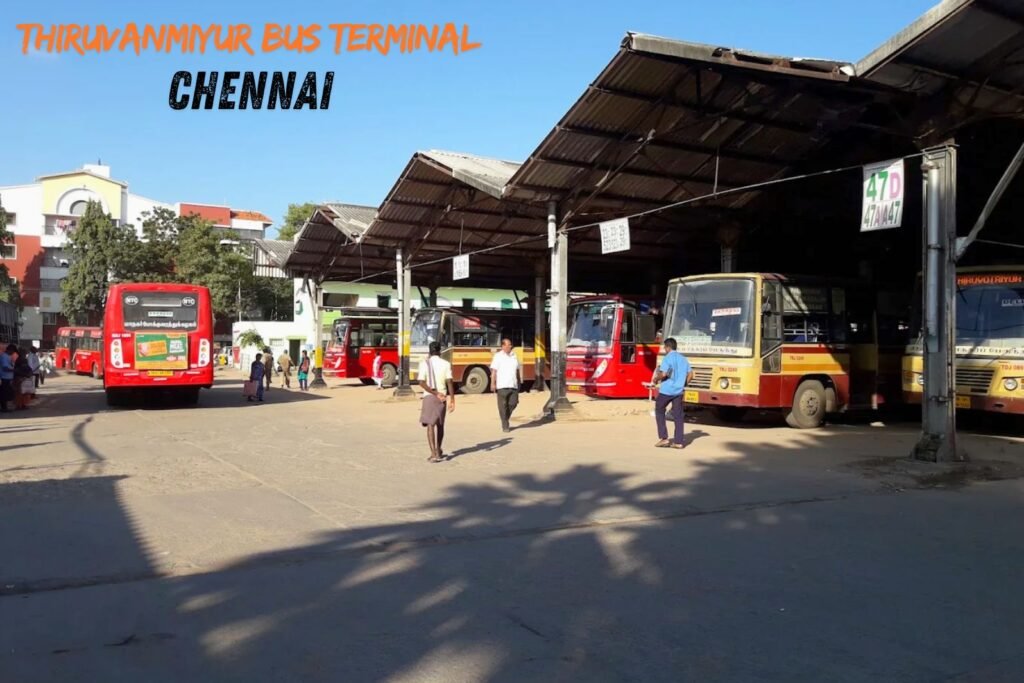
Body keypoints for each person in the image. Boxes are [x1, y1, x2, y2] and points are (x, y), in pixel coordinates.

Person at [652, 337, 694, 449]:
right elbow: (691, 374)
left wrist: (656, 379)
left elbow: (664, 373)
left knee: (659, 410)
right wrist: (684, 384)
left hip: (667, 390)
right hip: (678, 391)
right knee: (678, 415)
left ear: (668, 347)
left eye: (665, 347)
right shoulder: (683, 359)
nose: (665, 349)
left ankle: (664, 438)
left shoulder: (667, 358)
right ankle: (678, 442)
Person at [417, 341, 454, 463]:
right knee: (440, 425)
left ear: (430, 351)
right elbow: (449, 382)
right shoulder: (446, 364)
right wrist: (452, 399)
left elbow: (421, 382)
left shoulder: (424, 364)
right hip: (442, 398)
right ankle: (438, 450)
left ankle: (433, 453)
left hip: (429, 396)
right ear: (440, 351)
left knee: (430, 425)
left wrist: (434, 392)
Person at [490, 337, 521, 433]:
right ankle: (505, 424)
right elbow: (494, 371)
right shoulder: (498, 356)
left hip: (513, 384)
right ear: (503, 346)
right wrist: (493, 383)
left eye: (510, 345)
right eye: (507, 345)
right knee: (502, 406)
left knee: (513, 403)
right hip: (502, 385)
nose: (509, 346)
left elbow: (517, 370)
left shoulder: (514, 356)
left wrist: (519, 382)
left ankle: (505, 418)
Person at [0, 344, 16, 413]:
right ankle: (4, 407)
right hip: (5, 377)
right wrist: (14, 370)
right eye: (13, 351)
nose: (13, 353)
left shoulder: (8, 356)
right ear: (10, 350)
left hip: (8, 377)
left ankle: (5, 407)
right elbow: (5, 367)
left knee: (7, 393)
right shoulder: (4, 357)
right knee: (4, 393)